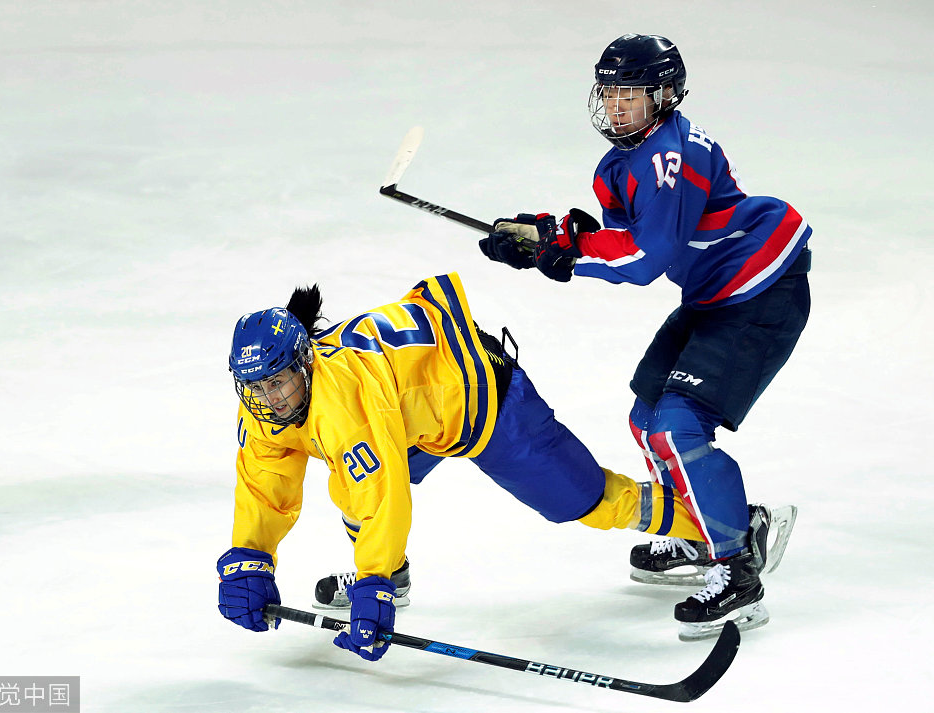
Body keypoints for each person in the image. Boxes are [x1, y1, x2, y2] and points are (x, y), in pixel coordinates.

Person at [478, 33, 809, 640]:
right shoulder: (621, 163)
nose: (615, 105)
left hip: (761, 288)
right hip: (715, 292)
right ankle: (703, 527)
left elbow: (644, 259)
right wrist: (555, 235)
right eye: (609, 92)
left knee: (677, 426)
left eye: (630, 93)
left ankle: (738, 567)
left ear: (664, 95)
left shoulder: (669, 156)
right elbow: (621, 237)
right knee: (647, 416)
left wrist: (563, 256)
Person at [216, 272, 716, 660]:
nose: (269, 399)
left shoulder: (344, 406)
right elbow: (264, 484)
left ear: (305, 362)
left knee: (590, 501)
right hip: (411, 407)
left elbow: (383, 496)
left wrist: (373, 582)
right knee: (349, 483)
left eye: (277, 382)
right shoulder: (267, 403)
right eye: (255, 387)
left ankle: (719, 531)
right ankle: (393, 574)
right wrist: (249, 557)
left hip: (479, 396)